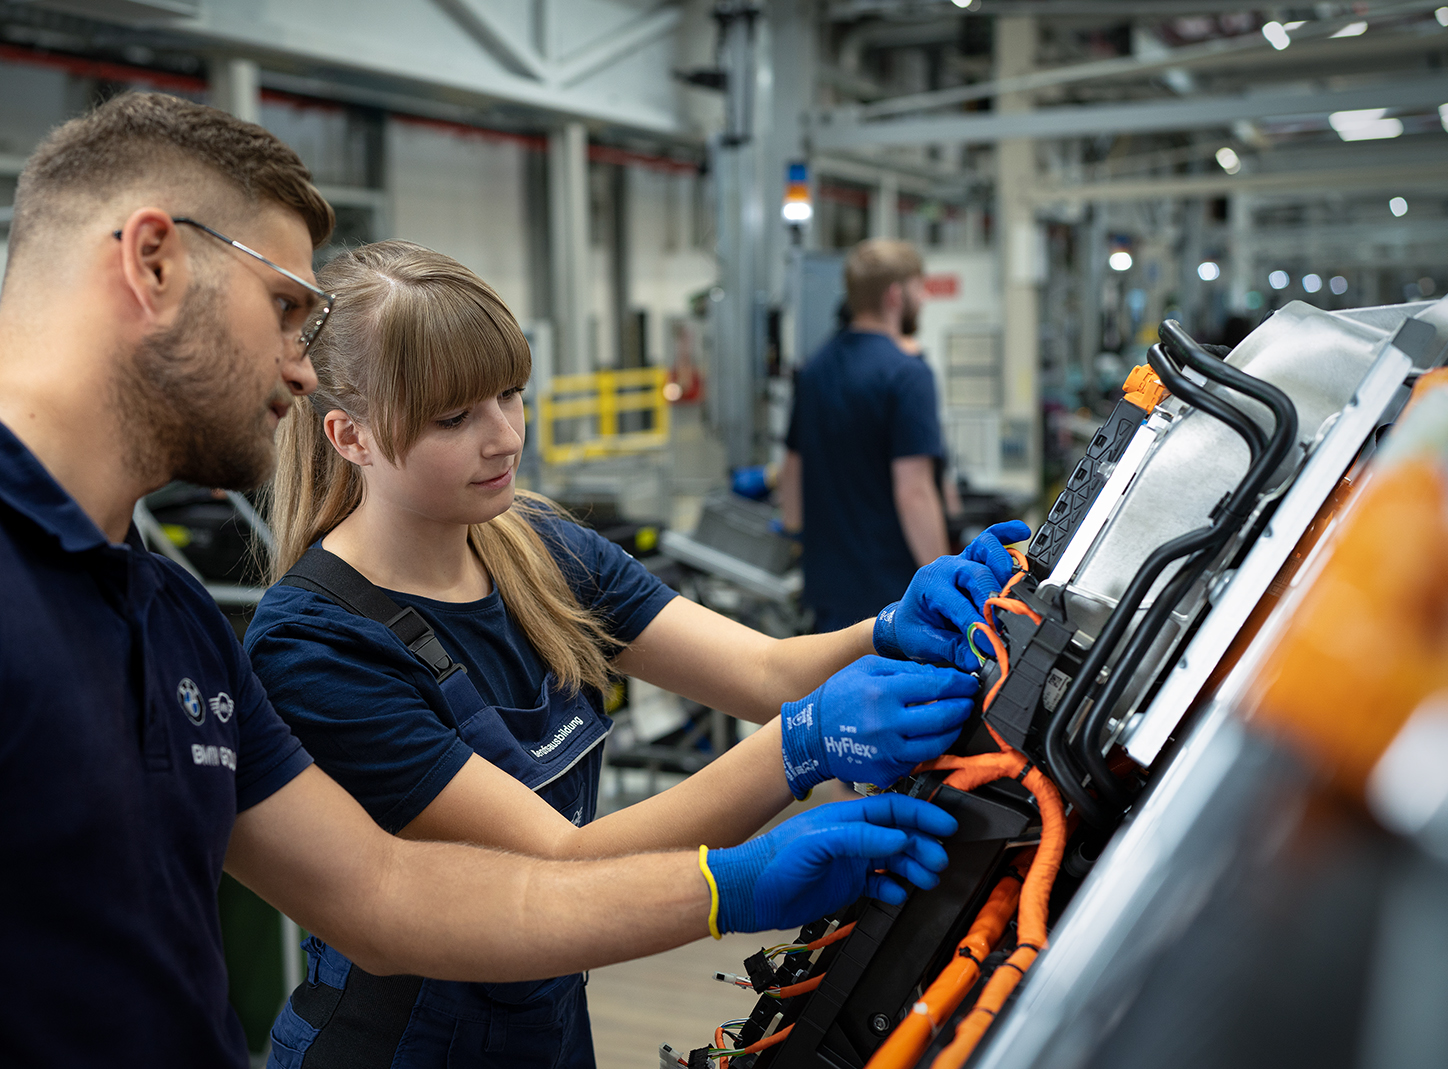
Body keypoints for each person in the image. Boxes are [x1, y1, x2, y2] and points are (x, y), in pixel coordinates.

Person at [0, 94, 966, 1069]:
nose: (300, 367)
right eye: (286, 309)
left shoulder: (154, 612)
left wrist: (731, 885)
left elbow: (391, 899)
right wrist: (772, 785)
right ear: (152, 259)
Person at [248, 241, 1031, 1067]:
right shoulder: (318, 643)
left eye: (511, 394)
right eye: (455, 418)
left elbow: (764, 671)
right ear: (350, 436)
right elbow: (557, 865)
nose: (504, 435)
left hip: (548, 1026)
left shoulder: (539, 549)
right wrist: (797, 747)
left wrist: (881, 628)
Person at [782, 239, 995, 633]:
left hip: (827, 594)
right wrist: (941, 584)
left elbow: (791, 480)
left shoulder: (814, 369)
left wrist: (799, 533)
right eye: (919, 289)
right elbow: (913, 491)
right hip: (891, 599)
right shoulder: (906, 373)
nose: (924, 300)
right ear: (896, 295)